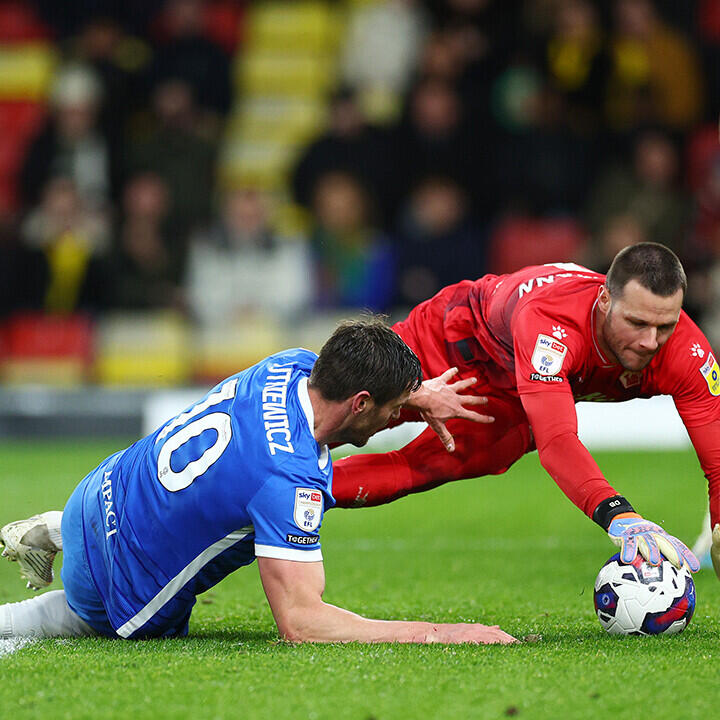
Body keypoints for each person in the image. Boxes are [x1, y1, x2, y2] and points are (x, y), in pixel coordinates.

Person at [0, 319, 514, 645]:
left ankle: (58, 528)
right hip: (119, 588)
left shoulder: (288, 364)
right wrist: (440, 632)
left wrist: (416, 394)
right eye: (392, 410)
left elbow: (336, 391)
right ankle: (35, 612)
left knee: (208, 492)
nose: (393, 419)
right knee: (62, 621)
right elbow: (302, 622)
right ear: (360, 403)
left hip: (95, 492)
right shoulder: (289, 483)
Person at [330, 243, 719, 576]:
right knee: (340, 412)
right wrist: (619, 515)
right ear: (604, 300)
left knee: (419, 470)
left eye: (665, 325)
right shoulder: (553, 322)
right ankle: (274, 473)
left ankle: (295, 495)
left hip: (515, 400)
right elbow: (557, 441)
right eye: (637, 322)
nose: (652, 341)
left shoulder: (686, 353)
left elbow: (717, 462)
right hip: (455, 341)